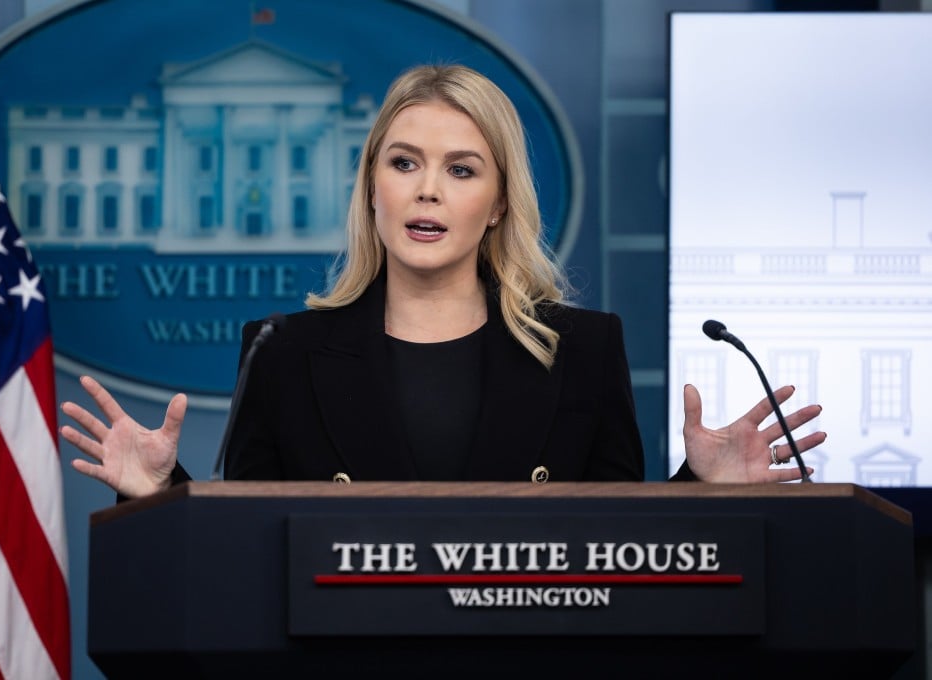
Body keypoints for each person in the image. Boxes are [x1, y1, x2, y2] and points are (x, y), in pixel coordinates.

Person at [60, 64, 825, 498]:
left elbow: (617, 558)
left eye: (461, 170)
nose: (428, 190)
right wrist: (158, 493)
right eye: (404, 163)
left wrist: (698, 486)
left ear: (496, 205)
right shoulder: (283, 353)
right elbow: (241, 560)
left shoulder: (585, 351)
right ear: (371, 188)